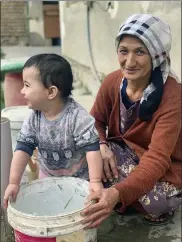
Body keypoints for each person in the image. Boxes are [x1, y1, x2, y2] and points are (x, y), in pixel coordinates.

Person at [81, 14, 182, 227]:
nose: (129, 62)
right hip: (120, 154)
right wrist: (100, 144)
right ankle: (124, 196)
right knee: (81, 152)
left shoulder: (173, 96)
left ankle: (121, 198)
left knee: (160, 202)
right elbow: (94, 122)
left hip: (164, 167)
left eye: (140, 52)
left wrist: (117, 193)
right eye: (123, 51)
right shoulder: (112, 82)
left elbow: (157, 158)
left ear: (156, 55)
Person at [4, 54, 104, 208]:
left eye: (27, 85)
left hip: (80, 180)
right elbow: (22, 150)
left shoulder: (77, 117)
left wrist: (96, 181)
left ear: (51, 92)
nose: (22, 91)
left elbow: (92, 149)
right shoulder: (34, 118)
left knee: (76, 211)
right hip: (48, 178)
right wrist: (13, 182)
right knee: (51, 208)